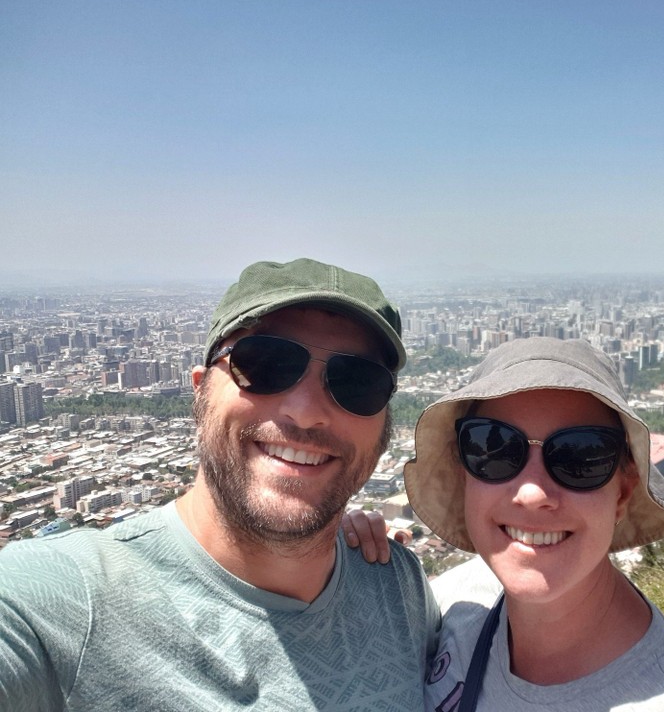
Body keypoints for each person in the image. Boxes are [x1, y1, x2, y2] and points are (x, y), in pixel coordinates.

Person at [0, 258, 440, 712]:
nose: (306, 411)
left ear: (385, 425)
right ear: (199, 391)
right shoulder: (63, 602)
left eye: (357, 382)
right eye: (266, 364)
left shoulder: (396, 588)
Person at [346, 337, 664, 710]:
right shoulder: (453, 601)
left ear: (623, 492)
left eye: (580, 457)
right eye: (494, 447)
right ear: (463, 472)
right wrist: (337, 557)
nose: (532, 493)